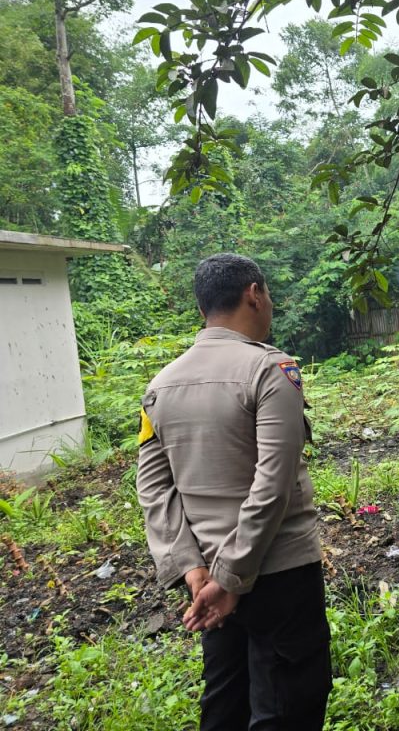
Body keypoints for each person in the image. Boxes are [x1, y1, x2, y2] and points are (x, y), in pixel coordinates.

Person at [136, 253, 331, 731]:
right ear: (253, 294)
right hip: (278, 574)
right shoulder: (271, 370)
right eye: (268, 296)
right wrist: (232, 578)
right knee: (288, 705)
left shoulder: (159, 388)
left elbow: (154, 490)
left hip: (209, 585)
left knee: (225, 703)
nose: (270, 305)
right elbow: (273, 482)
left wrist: (195, 570)